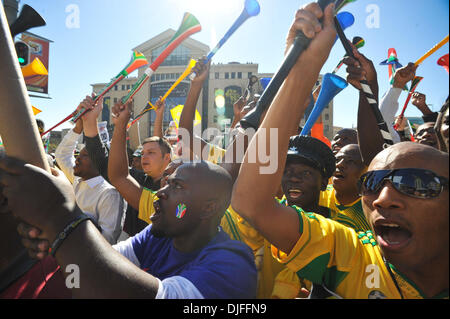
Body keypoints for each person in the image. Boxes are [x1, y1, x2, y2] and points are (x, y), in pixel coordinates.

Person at [0, 156, 257, 299]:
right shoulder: (160, 235)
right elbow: (101, 262)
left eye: (177, 187)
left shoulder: (233, 264)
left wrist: (62, 218)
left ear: (209, 208)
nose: (160, 193)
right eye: (165, 184)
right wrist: (57, 241)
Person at [54, 106, 126, 244]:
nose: (77, 159)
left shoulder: (109, 194)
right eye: (78, 155)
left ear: (98, 159)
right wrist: (78, 128)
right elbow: (62, 155)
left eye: (85, 155)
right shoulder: (78, 179)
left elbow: (108, 239)